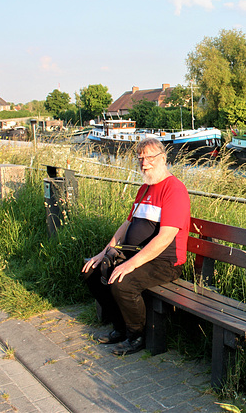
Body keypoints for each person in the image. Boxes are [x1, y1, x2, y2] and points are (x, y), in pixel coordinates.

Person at [81, 138, 190, 355]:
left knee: (123, 283)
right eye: (140, 158)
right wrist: (104, 253)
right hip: (137, 255)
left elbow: (165, 238)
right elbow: (127, 224)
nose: (144, 163)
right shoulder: (145, 189)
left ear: (163, 158)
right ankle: (119, 327)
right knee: (92, 272)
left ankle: (137, 335)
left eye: (150, 157)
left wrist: (130, 265)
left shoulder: (174, 189)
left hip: (165, 262)